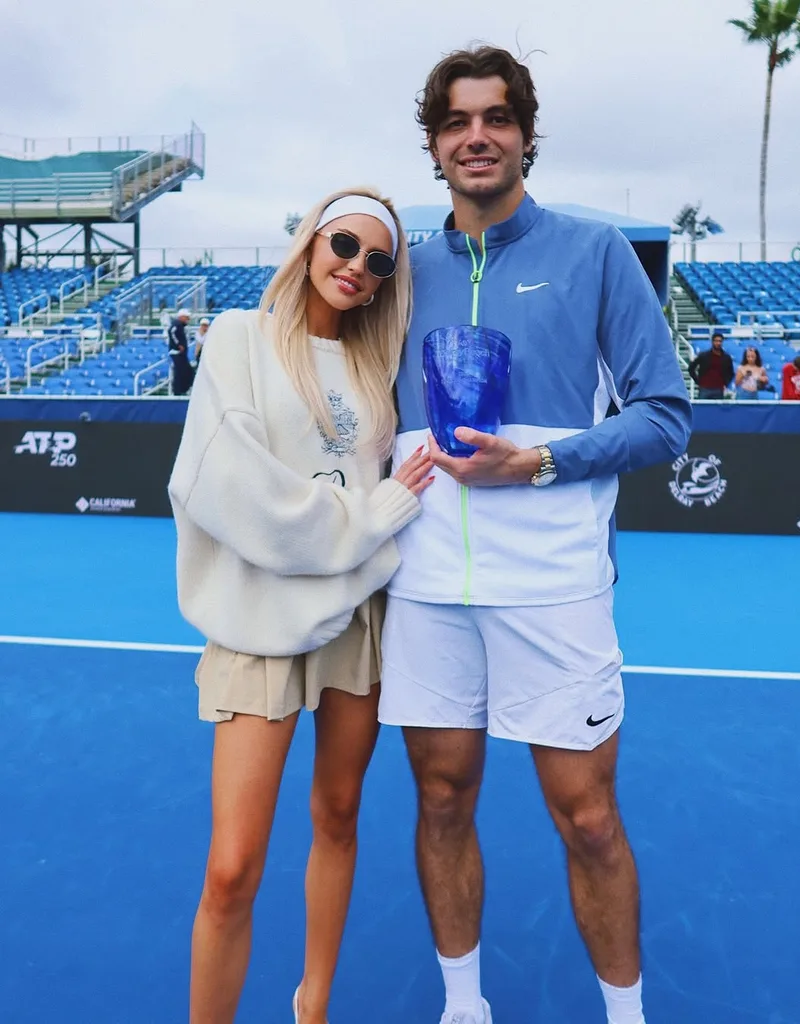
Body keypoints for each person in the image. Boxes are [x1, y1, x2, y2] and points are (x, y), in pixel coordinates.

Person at [377, 45, 692, 1024]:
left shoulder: (594, 254)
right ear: (434, 145)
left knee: (590, 821)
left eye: (497, 118)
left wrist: (539, 463)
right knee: (439, 799)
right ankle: (464, 1005)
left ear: (524, 135)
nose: (478, 136)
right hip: (423, 588)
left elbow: (666, 415)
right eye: (458, 121)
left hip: (554, 587)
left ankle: (624, 1014)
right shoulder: (397, 270)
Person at [168, 187, 434, 1024]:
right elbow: (229, 489)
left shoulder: (372, 370)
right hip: (258, 626)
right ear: (311, 241)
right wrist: (374, 516)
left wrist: (364, 524)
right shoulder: (239, 340)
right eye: (345, 245)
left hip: (354, 623)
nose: (357, 268)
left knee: (340, 815)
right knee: (232, 867)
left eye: (379, 261)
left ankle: (310, 1006)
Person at [688, 332, 733, 399]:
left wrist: (725, 383)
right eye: (716, 341)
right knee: (703, 407)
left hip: (719, 389)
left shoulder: (726, 357)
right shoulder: (703, 355)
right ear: (712, 342)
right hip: (704, 388)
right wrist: (698, 381)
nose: (718, 343)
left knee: (717, 409)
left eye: (720, 341)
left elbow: (731, 372)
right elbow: (691, 368)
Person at [168, 307, 194, 395]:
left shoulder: (181, 326)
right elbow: (171, 332)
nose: (188, 319)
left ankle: (183, 389)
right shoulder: (177, 324)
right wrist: (178, 345)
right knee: (180, 371)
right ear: (181, 317)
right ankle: (178, 391)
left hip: (181, 353)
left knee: (187, 370)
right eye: (187, 317)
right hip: (177, 353)